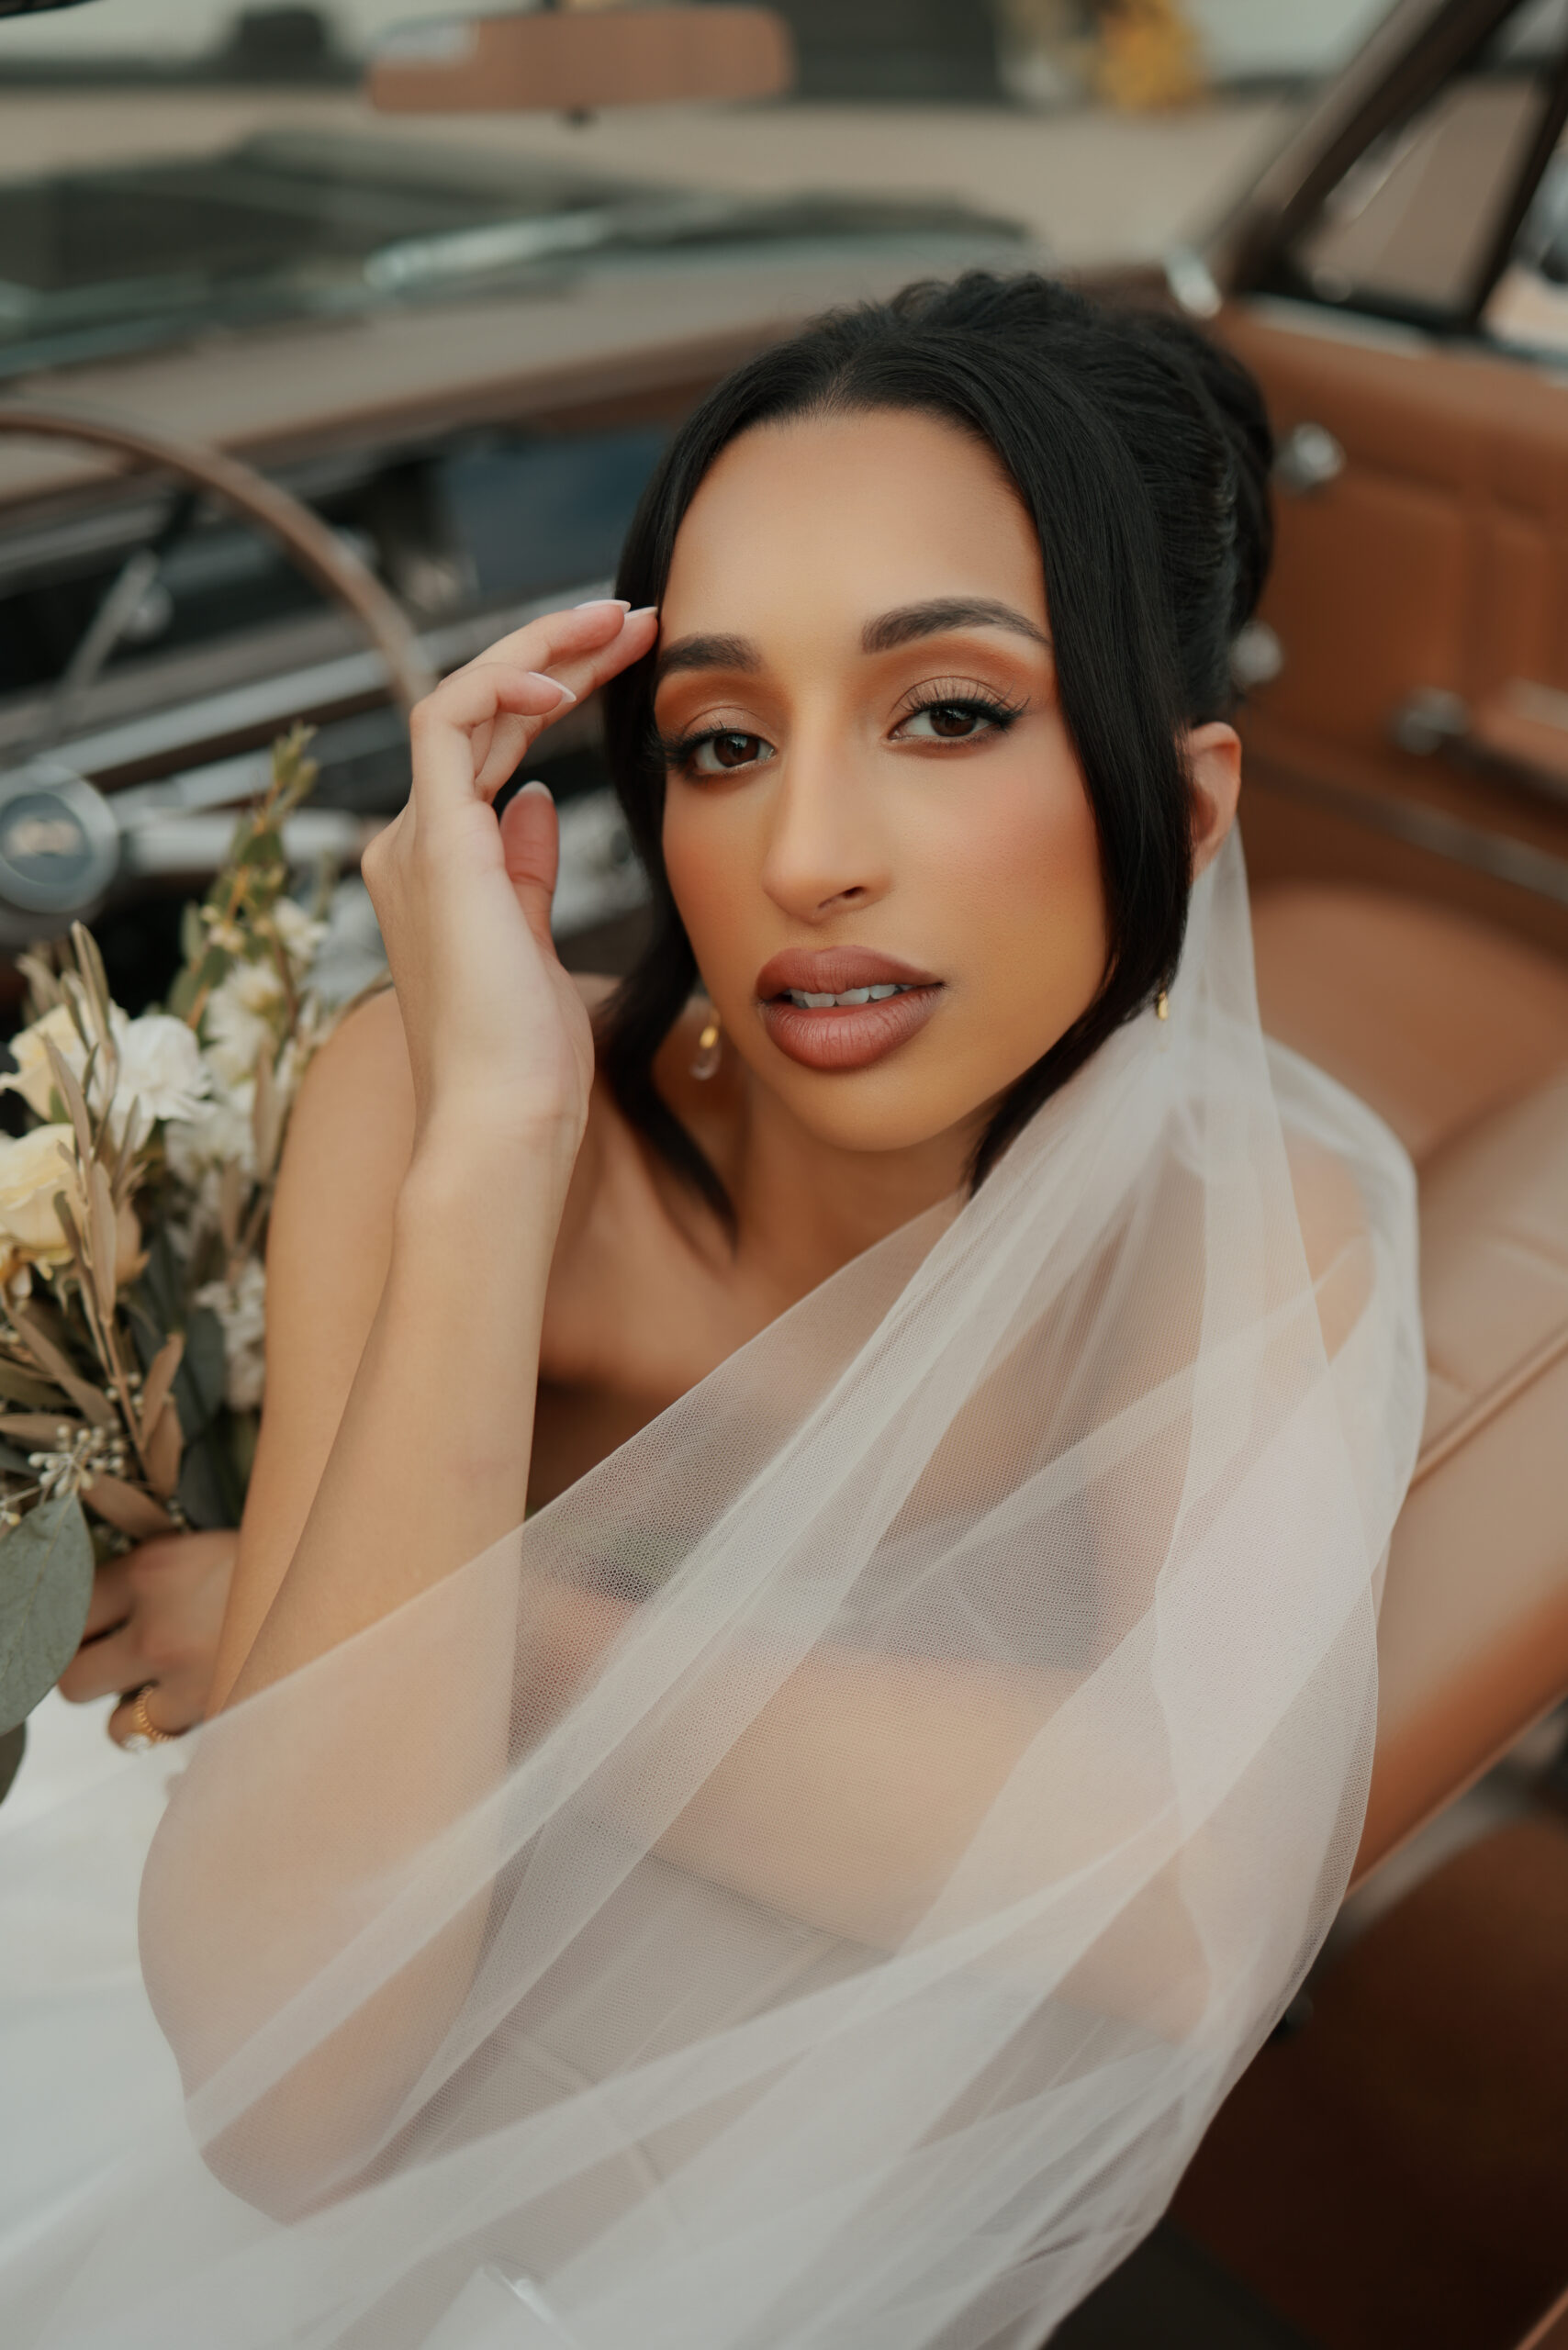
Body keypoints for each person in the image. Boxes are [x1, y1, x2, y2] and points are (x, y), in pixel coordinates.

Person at [2, 274, 1424, 2350]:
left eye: (947, 711)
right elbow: (284, 2104)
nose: (806, 853)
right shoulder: (440, 1096)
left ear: (1184, 809)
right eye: (720, 740)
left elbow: (1173, 1893)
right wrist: (491, 1143)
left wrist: (510, 1623)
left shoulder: (1249, 1225)